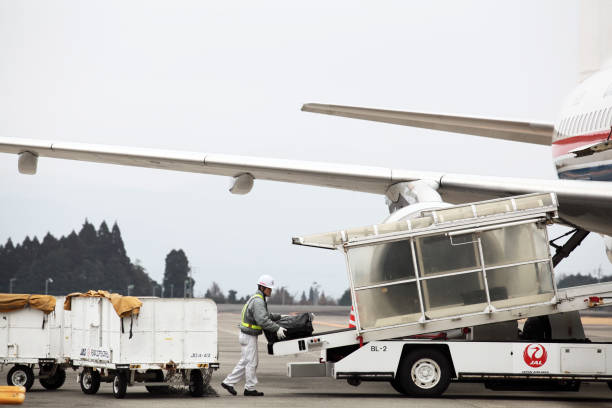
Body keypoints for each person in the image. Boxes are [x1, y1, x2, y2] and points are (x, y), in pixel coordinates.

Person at [221, 274, 286, 396]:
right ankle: (249, 389)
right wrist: (277, 328)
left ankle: (228, 382)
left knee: (245, 361)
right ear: (262, 288)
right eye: (269, 288)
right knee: (252, 363)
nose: (271, 291)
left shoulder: (258, 299)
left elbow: (266, 315)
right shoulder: (258, 301)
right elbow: (263, 320)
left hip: (247, 334)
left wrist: (280, 316)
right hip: (248, 335)